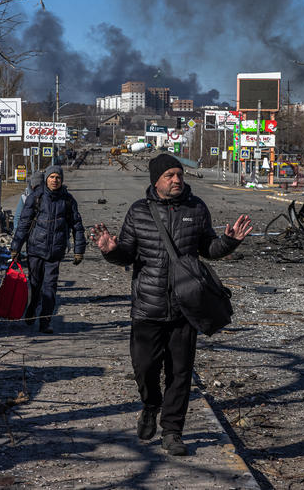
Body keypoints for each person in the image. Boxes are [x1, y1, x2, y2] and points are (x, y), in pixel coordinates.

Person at [92, 154, 252, 456]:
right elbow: (127, 253)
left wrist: (229, 242)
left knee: (180, 373)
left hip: (185, 308)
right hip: (147, 308)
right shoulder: (139, 211)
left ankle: (173, 431)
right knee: (145, 368)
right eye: (170, 175)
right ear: (156, 180)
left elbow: (208, 249)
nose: (177, 180)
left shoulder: (196, 207)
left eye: (179, 174)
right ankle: (150, 406)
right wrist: (110, 251)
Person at [10, 165, 86, 334]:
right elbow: (23, 224)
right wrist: (15, 248)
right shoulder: (36, 198)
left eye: (57, 177)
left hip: (55, 252)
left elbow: (77, 226)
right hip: (35, 249)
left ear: (61, 180)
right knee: (35, 284)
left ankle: (45, 322)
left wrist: (79, 250)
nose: (54, 180)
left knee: (50, 287)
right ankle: (31, 309)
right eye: (51, 177)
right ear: (46, 179)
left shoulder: (68, 200)